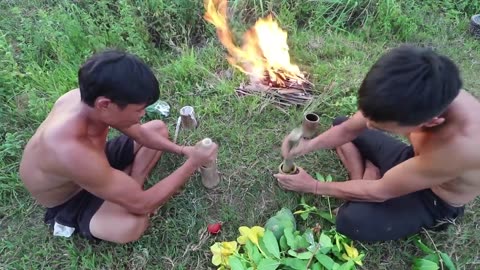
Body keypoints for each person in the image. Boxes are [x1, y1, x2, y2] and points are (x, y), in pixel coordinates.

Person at [274, 45, 480, 242]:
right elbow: (348, 129)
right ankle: (363, 175)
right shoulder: (411, 91)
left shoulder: (461, 147)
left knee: (351, 221)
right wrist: (307, 146)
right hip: (413, 161)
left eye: (381, 127)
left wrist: (313, 186)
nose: (368, 126)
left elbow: (379, 192)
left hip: (432, 199)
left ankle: (368, 176)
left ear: (430, 122)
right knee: (341, 123)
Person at [19, 50, 218, 244]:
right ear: (105, 104)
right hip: (73, 196)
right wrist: (193, 163)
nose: (141, 115)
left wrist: (184, 151)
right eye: (138, 110)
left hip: (94, 163)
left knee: (157, 129)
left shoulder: (87, 100)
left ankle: (129, 184)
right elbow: (143, 204)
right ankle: (124, 191)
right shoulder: (70, 149)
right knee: (131, 224)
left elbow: (138, 132)